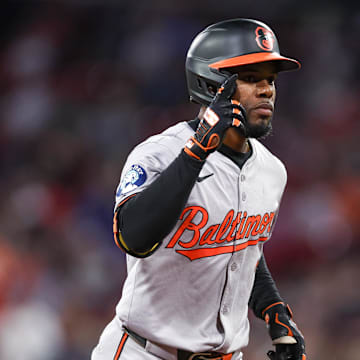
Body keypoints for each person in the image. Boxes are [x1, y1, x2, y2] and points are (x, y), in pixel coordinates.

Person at [92, 18, 307, 360]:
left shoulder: (271, 170)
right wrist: (198, 150)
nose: (266, 90)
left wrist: (274, 311)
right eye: (251, 79)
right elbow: (132, 237)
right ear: (211, 85)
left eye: (270, 79)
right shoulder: (160, 153)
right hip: (146, 352)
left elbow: (243, 252)